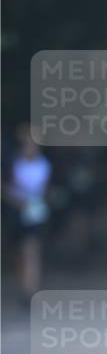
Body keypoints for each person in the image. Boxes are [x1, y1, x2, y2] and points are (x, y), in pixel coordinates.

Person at [3, 123, 52, 307]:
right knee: (20, 255)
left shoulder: (45, 165)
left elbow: (46, 191)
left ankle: (30, 291)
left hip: (35, 212)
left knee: (31, 251)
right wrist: (15, 199)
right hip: (16, 212)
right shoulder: (12, 163)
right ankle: (24, 285)